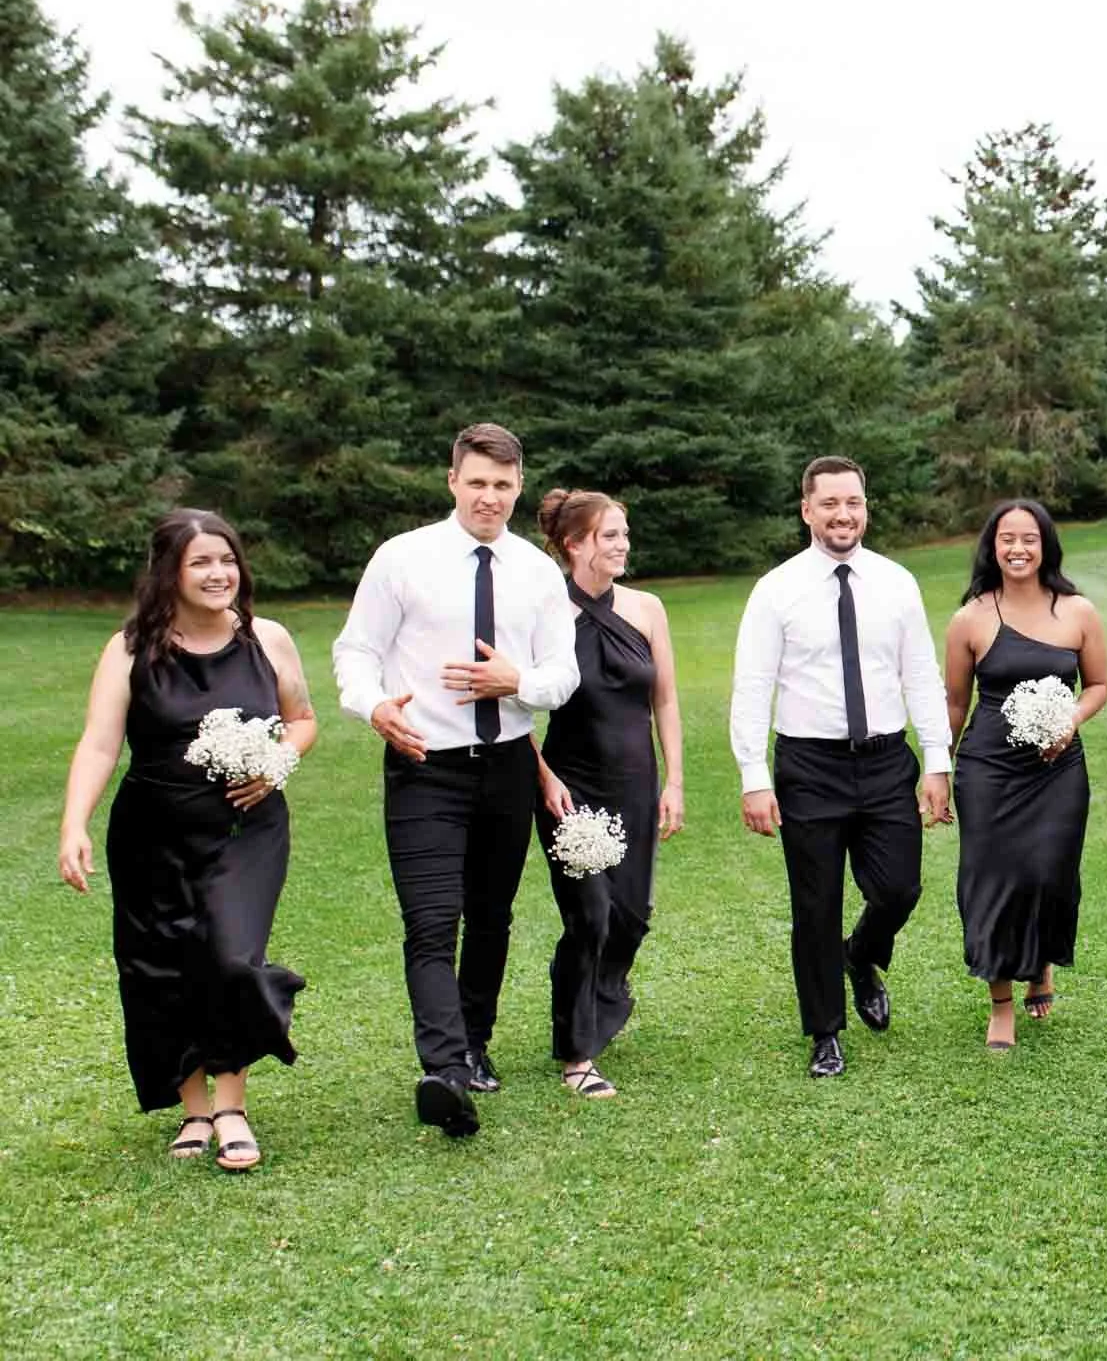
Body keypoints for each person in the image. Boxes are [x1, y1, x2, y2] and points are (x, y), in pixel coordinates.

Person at [335, 424, 580, 1137]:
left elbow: (562, 673)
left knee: (492, 914)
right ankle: (444, 1068)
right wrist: (373, 704)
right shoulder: (402, 559)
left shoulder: (537, 572)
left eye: (503, 486)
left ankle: (475, 1040)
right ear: (453, 481)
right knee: (431, 919)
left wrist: (518, 680)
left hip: (505, 765)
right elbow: (355, 651)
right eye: (477, 483)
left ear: (518, 487)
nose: (489, 498)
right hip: (424, 765)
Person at [58, 510, 316, 1171]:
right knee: (160, 966)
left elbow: (302, 719)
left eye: (226, 559)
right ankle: (196, 1109)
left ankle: (234, 1104)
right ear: (168, 572)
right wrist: (73, 822)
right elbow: (99, 741)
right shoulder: (129, 649)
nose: (217, 572)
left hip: (246, 827)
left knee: (229, 956)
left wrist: (276, 763)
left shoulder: (269, 639)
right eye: (200, 561)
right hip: (152, 830)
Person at [732, 455, 954, 1078]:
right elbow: (752, 685)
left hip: (887, 761)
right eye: (829, 503)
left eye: (852, 502)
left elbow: (920, 674)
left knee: (899, 886)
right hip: (810, 764)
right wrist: (755, 775)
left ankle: (862, 955)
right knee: (816, 903)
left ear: (865, 506)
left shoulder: (897, 582)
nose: (843, 514)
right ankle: (825, 1031)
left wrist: (936, 761)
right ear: (807, 510)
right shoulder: (777, 589)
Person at [530, 489, 684, 1098]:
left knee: (630, 917)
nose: (622, 545)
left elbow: (664, 699)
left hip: (636, 783)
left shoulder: (647, 609)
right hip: (569, 788)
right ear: (574, 545)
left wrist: (674, 780)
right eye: (609, 536)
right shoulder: (544, 614)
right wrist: (543, 776)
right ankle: (577, 1054)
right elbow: (512, 709)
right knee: (588, 915)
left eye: (624, 533)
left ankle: (596, 996)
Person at [942, 499, 1107, 1052]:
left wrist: (1071, 718)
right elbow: (955, 707)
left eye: (1029, 538)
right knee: (992, 882)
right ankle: (1001, 1003)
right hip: (988, 770)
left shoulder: (1078, 612)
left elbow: (1099, 686)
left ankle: (1040, 966)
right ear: (993, 545)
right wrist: (937, 772)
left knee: (1047, 873)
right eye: (1007, 538)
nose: (1018, 548)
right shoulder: (970, 618)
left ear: (1045, 546)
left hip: (1058, 770)